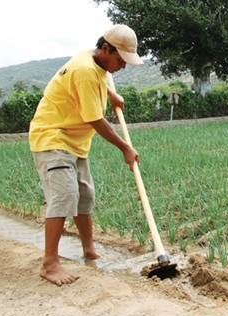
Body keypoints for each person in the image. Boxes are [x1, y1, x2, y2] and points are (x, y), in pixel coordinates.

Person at [29, 24, 143, 286]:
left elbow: (97, 82)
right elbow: (95, 118)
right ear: (105, 48)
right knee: (65, 196)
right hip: (53, 137)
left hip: (75, 142)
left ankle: (88, 249)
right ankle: (50, 264)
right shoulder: (84, 70)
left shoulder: (94, 62)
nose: (123, 66)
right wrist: (125, 147)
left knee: (84, 195)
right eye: (120, 60)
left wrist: (111, 94)